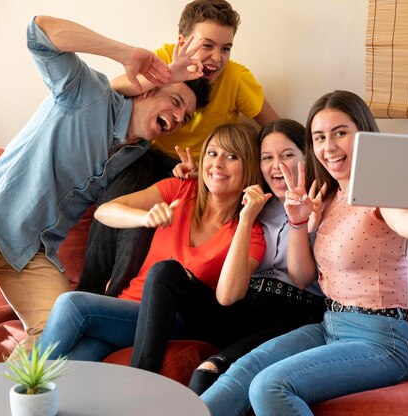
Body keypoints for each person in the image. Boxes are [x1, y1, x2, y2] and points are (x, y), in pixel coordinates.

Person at [0, 15, 211, 377]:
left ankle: (3, 393)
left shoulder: (139, 151)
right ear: (148, 90)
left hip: (33, 251)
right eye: (176, 101)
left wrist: (187, 172)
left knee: (62, 337)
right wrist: (123, 53)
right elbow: (39, 32)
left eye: (187, 115)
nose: (179, 117)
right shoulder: (87, 94)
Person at [200, 90, 408, 415]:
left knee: (270, 386)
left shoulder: (383, 191)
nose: (329, 147)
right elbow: (303, 276)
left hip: (381, 341)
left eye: (340, 133)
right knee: (239, 373)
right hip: (329, 325)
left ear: (364, 135)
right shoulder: (327, 199)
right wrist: (297, 224)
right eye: (319, 137)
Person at [76, 0, 279, 296]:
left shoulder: (235, 78)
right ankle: (94, 292)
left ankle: (116, 299)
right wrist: (168, 73)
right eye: (207, 45)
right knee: (127, 191)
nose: (216, 58)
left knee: (156, 220)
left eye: (226, 48)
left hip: (195, 174)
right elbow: (114, 89)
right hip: (148, 156)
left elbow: (274, 129)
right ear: (182, 42)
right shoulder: (163, 60)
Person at [37, 123, 266, 362]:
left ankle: (21, 385)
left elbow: (228, 296)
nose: (218, 163)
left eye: (232, 156)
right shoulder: (181, 189)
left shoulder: (251, 233)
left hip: (171, 322)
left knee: (72, 304)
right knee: (74, 366)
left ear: (249, 167)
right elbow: (104, 211)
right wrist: (145, 217)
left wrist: (245, 219)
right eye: (212, 153)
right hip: (122, 311)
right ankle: (28, 391)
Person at [130, 119, 327, 394]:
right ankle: (137, 384)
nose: (276, 166)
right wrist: (244, 214)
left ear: (307, 157)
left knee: (206, 375)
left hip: (292, 315)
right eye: (267, 158)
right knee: (165, 271)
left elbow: (302, 277)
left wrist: (298, 224)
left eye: (288, 155)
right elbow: (226, 296)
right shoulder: (257, 204)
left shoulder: (322, 204)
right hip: (243, 311)